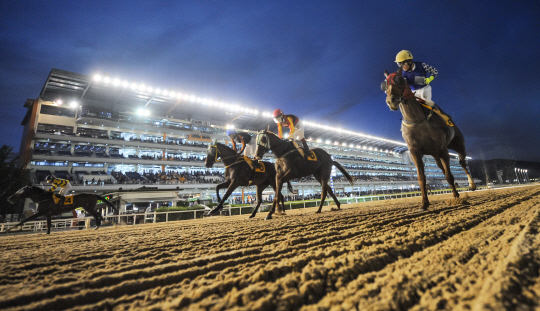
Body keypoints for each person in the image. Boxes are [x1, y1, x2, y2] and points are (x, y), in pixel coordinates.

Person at [395, 50, 451, 120]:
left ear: (409, 61)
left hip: (424, 89)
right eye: (400, 65)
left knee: (427, 105)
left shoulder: (421, 65)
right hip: (413, 93)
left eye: (403, 64)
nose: (402, 67)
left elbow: (435, 71)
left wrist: (430, 78)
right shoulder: (403, 74)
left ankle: (444, 117)